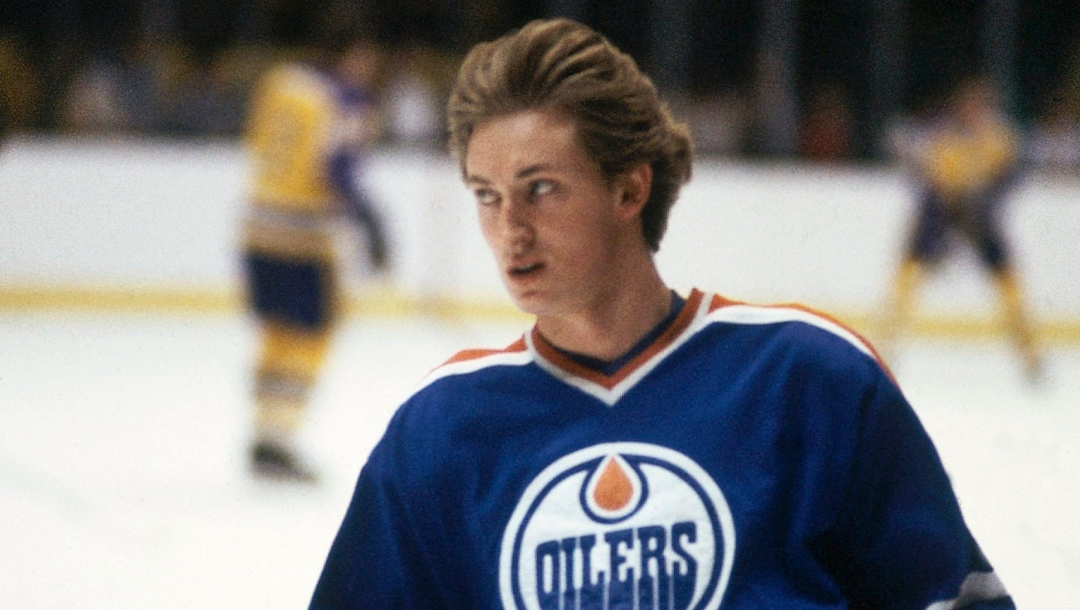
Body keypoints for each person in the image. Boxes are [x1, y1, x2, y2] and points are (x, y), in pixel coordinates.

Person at [310, 19, 1014, 608]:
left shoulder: (808, 379)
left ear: (629, 188)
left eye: (542, 188)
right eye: (487, 196)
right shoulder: (439, 432)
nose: (510, 229)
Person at [242, 27, 389, 482]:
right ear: (354, 55)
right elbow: (336, 166)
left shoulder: (280, 83)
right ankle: (280, 438)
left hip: (258, 229)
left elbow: (256, 143)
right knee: (311, 337)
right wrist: (370, 220)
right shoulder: (345, 99)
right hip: (305, 236)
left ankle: (263, 430)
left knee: (275, 334)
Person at [878, 77, 1043, 381]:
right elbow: (925, 176)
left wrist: (987, 199)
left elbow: (1014, 173)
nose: (973, 112)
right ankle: (885, 348)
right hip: (940, 211)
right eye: (969, 106)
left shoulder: (997, 137)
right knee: (908, 275)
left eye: (979, 106)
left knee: (1007, 278)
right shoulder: (943, 137)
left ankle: (1029, 353)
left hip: (979, 214)